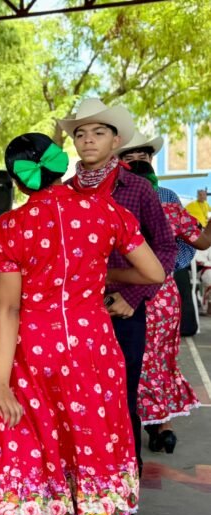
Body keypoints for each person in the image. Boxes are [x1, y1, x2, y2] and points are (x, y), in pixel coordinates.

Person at [0, 132, 165, 515]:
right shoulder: (106, 212)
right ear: (59, 164)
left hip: (33, 353)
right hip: (93, 350)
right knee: (95, 451)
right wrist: (103, 276)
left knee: (27, 449)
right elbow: (155, 272)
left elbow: (8, 310)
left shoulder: (11, 226)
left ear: (18, 180)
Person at [60, 99, 176, 515]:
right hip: (73, 317)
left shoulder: (138, 190)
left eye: (97, 133)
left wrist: (131, 296)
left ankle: (119, 509)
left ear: (116, 141)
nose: (87, 141)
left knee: (119, 409)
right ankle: (83, 502)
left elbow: (163, 253)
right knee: (74, 409)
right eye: (80, 134)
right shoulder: (64, 193)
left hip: (122, 314)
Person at [119, 132, 209, 452]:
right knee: (159, 360)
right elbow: (199, 242)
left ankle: (126, 426)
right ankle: (162, 427)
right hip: (165, 293)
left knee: (129, 359)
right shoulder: (168, 199)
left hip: (126, 291)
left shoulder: (112, 198)